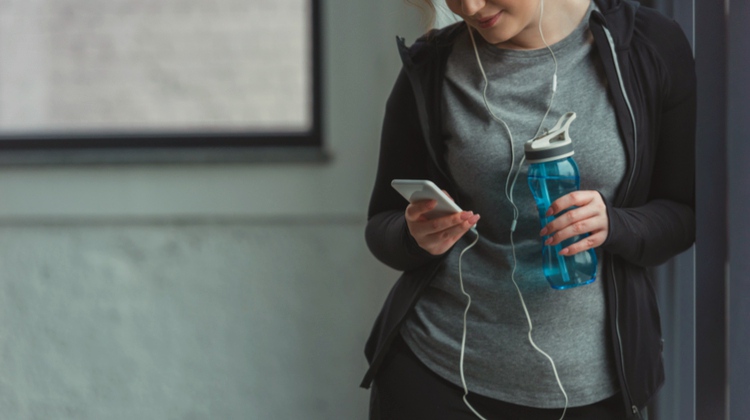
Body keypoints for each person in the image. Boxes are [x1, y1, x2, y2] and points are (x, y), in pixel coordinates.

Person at [361, 0, 695, 418]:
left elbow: (683, 212)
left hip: (591, 392)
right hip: (435, 377)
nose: (469, 7)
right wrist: (413, 236)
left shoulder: (647, 45)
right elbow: (381, 225)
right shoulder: (432, 66)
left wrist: (615, 224)